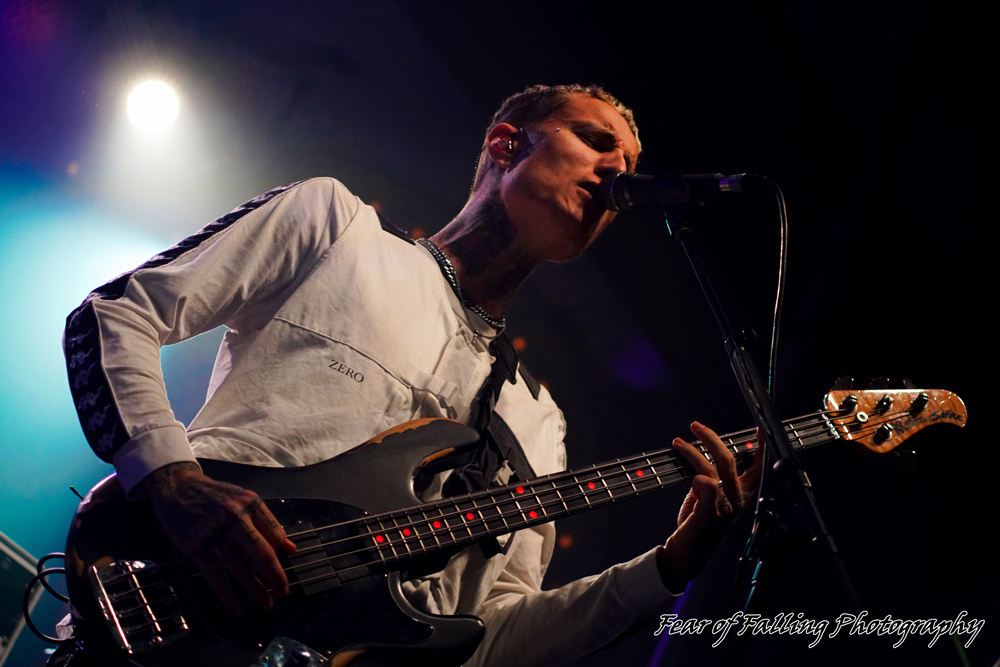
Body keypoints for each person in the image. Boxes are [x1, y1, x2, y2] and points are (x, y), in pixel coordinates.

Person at [61, 84, 761, 665]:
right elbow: (115, 316)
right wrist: (174, 483)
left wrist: (667, 567)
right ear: (505, 144)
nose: (619, 171)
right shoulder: (334, 226)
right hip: (165, 604)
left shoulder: (538, 421)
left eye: (632, 159)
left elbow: (491, 638)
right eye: (597, 140)